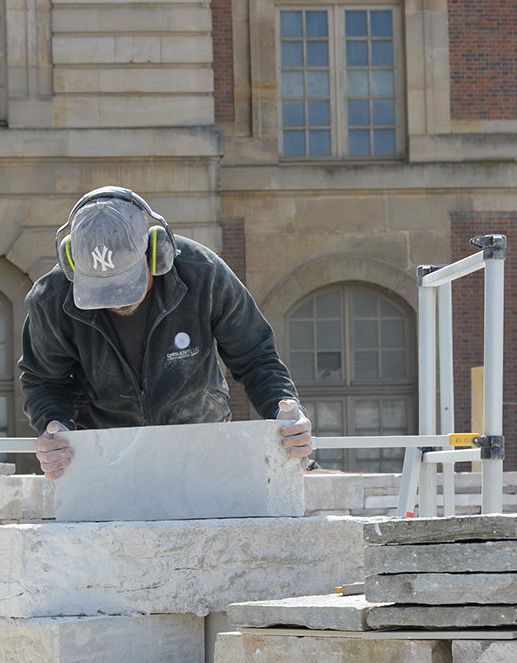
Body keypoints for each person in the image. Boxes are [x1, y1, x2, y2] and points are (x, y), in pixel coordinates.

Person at [19, 187, 313, 478]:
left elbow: (255, 356)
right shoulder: (51, 300)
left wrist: (283, 414)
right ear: (72, 267)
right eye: (102, 290)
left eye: (126, 285)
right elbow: (43, 380)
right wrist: (55, 426)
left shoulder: (203, 274)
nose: (116, 301)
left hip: (202, 446)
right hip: (104, 455)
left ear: (156, 253)